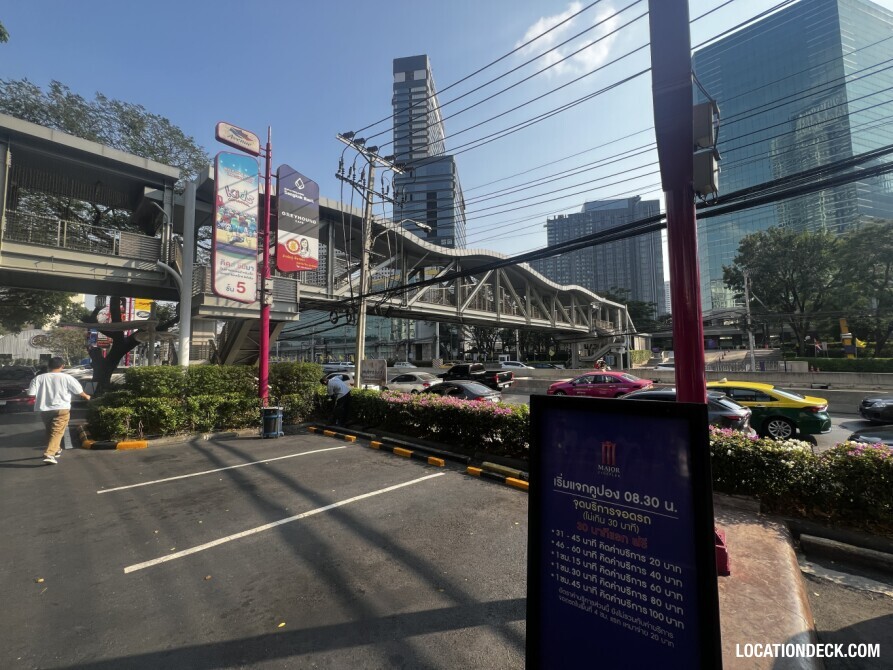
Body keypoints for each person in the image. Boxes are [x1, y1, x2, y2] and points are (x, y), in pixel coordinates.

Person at [27, 357, 91, 465]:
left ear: (49, 366)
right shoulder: (67, 378)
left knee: (50, 430)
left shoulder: (38, 378)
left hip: (44, 409)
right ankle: (49, 454)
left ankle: (56, 449)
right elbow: (78, 391)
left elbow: (30, 394)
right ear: (62, 366)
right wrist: (87, 396)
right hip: (62, 408)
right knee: (57, 431)